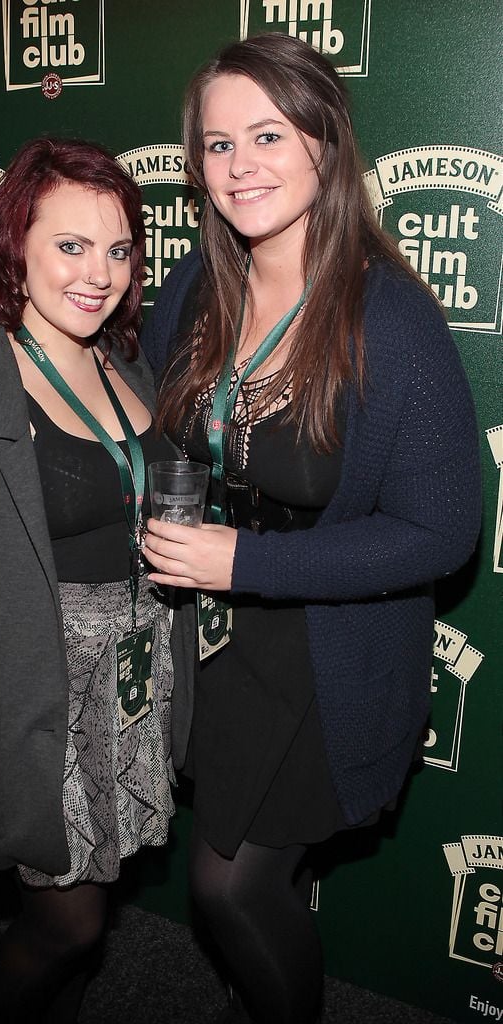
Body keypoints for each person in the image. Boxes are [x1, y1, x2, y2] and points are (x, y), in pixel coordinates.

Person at [141, 33, 481, 1024]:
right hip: (215, 635)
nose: (239, 166)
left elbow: (441, 532)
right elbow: (158, 432)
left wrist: (241, 556)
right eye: (215, 144)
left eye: (267, 135)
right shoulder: (198, 290)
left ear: (325, 145)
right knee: (243, 877)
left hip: (324, 649)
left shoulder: (391, 321)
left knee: (230, 886)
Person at [0, 136, 181, 1023]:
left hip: (130, 680)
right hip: (38, 694)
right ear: (13, 246)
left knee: (93, 905)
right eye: (71, 246)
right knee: (68, 925)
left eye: (120, 250)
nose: (100, 274)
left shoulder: (121, 360)